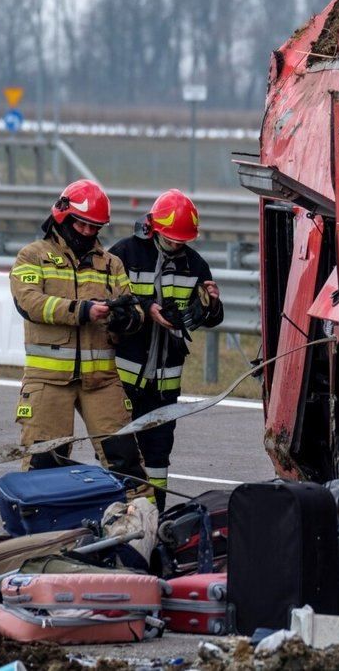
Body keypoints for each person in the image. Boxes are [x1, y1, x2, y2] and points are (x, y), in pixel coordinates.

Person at [9, 179, 150, 499]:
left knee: (126, 463)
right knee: (45, 466)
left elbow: (134, 310)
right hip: (47, 382)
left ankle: (144, 529)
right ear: (62, 216)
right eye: (82, 223)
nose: (88, 231)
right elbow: (30, 304)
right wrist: (82, 310)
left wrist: (127, 318)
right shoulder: (31, 257)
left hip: (101, 381)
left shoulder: (111, 264)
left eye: (95, 226)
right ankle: (43, 536)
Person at [109, 189, 223, 510]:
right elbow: (109, 299)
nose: (176, 245)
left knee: (158, 455)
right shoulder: (125, 254)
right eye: (171, 239)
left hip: (165, 382)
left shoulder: (194, 264)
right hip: (124, 378)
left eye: (182, 241)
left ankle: (155, 518)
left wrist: (212, 304)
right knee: (121, 452)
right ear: (155, 228)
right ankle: (119, 515)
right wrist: (147, 310)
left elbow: (209, 318)